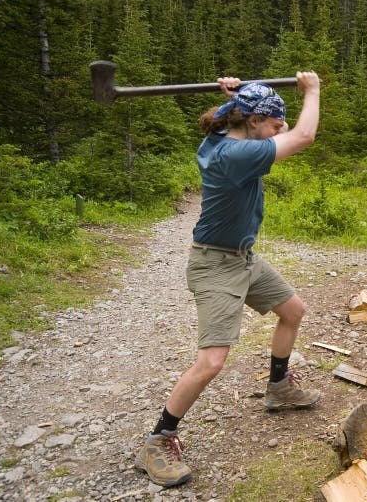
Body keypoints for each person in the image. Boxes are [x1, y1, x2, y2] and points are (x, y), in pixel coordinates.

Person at [135, 71, 322, 487]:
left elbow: (286, 128)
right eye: (273, 123)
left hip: (241, 256)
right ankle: (158, 441)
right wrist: (312, 90)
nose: (280, 130)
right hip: (215, 264)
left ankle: (278, 387)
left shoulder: (235, 139)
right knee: (212, 362)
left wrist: (242, 98)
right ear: (253, 122)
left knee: (292, 311)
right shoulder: (235, 156)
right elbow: (304, 136)